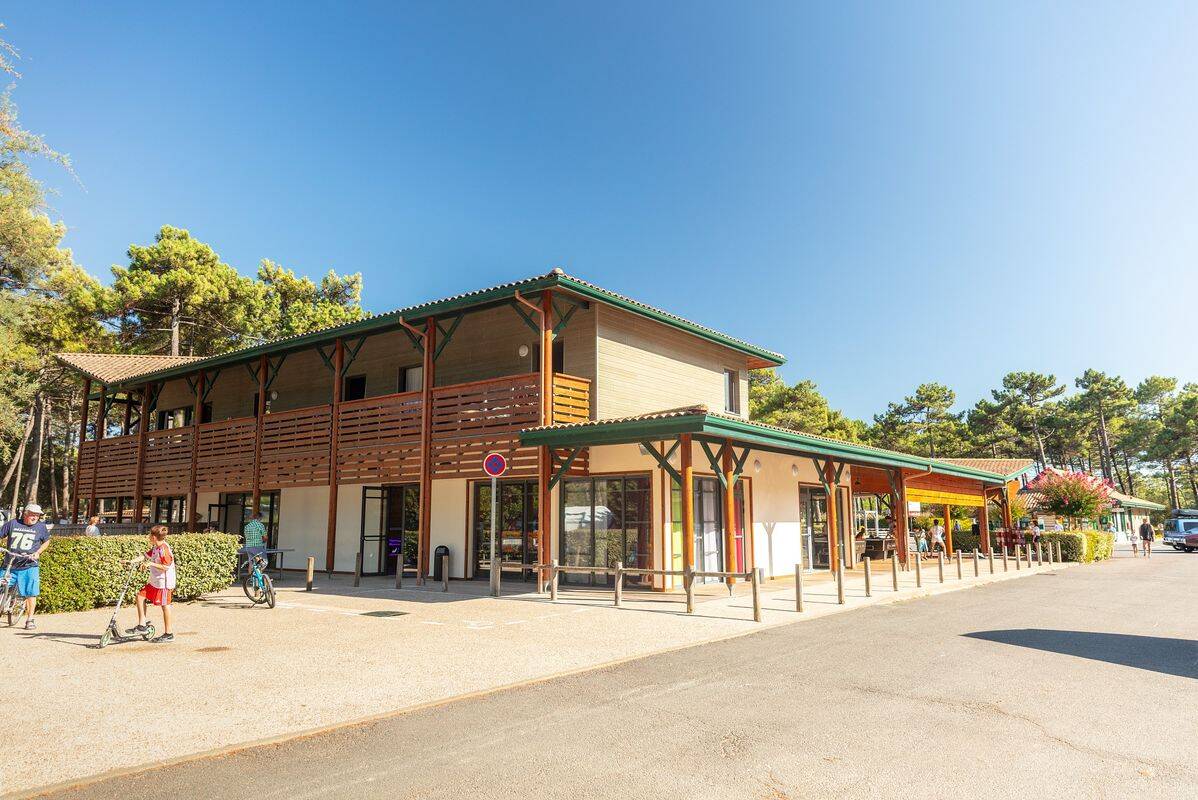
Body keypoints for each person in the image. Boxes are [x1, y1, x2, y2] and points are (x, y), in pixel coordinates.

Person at [1, 502, 52, 630]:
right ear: (25, 514)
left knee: (31, 593)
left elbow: (47, 541)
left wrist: (38, 552)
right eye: (32, 514)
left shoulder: (41, 527)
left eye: (37, 515)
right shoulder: (13, 524)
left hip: (29, 565)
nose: (35, 517)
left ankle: (30, 619)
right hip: (10, 564)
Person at [128, 525, 176, 642]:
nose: (149, 537)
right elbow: (146, 556)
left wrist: (150, 564)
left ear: (154, 537)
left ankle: (168, 634)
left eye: (150, 535)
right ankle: (142, 625)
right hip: (155, 581)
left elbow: (166, 566)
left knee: (165, 606)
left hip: (164, 583)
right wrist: (130, 561)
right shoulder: (156, 547)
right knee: (140, 596)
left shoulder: (164, 549)